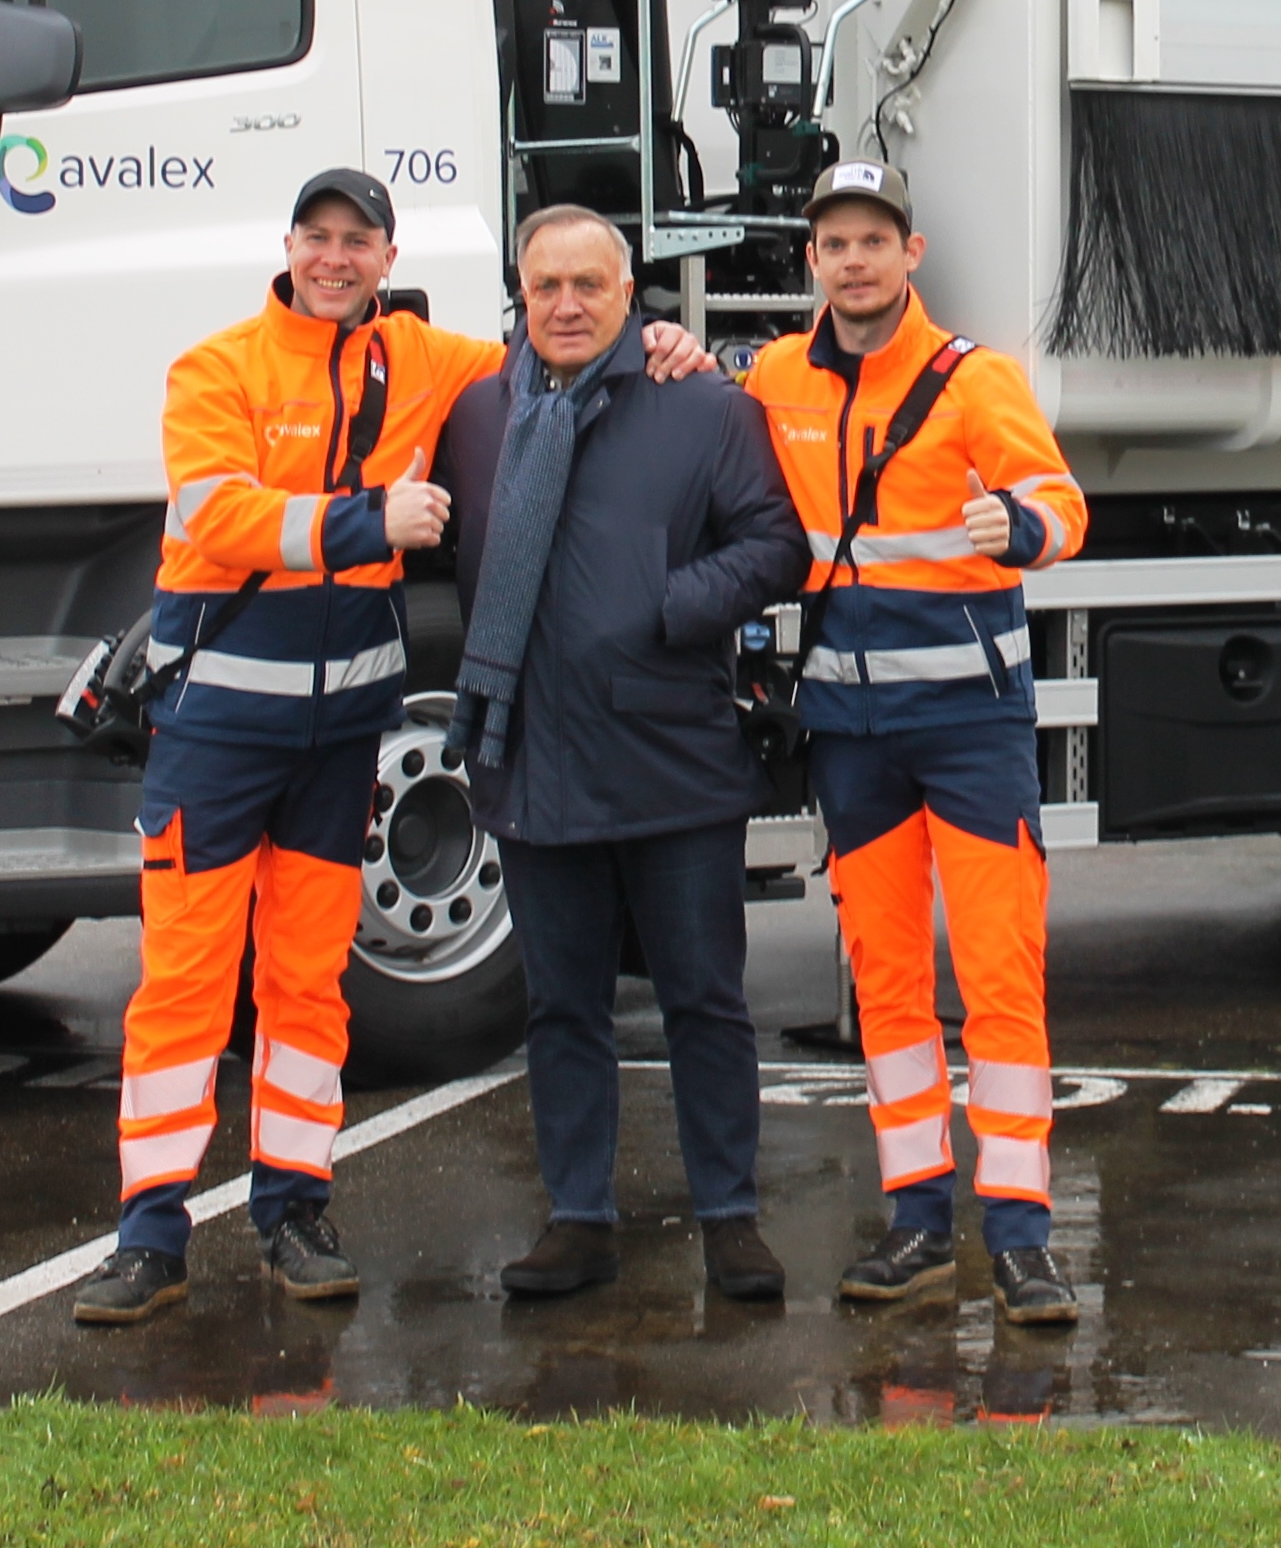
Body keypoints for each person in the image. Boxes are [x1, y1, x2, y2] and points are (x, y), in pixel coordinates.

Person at [75, 169, 708, 1328]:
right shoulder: (216, 367)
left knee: (310, 987)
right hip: (215, 738)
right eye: (316, 236)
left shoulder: (417, 357)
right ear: (289, 245)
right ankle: (150, 1237)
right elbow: (216, 510)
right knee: (185, 988)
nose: (334, 258)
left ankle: (294, 1213)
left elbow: (551, 349)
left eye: (356, 241)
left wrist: (662, 338)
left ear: (385, 255)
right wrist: (371, 521)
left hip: (335, 748)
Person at [435, 203, 810, 1303]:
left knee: (704, 999)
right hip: (535, 758)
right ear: (518, 288)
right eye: (544, 285)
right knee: (561, 1008)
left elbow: (775, 542)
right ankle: (579, 1217)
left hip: (672, 756)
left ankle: (731, 1219)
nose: (564, 304)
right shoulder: (474, 412)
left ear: (628, 288)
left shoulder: (697, 405)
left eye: (588, 286)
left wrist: (670, 603)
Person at [740, 159, 1091, 1324]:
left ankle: (1025, 1240)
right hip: (852, 737)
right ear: (813, 261)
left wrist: (1025, 521)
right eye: (833, 242)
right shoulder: (778, 377)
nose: (853, 260)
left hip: (972, 733)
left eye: (872, 241)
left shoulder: (973, 380)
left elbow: (1066, 505)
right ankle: (916, 1225)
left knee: (1001, 982)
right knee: (887, 990)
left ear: (911, 254)